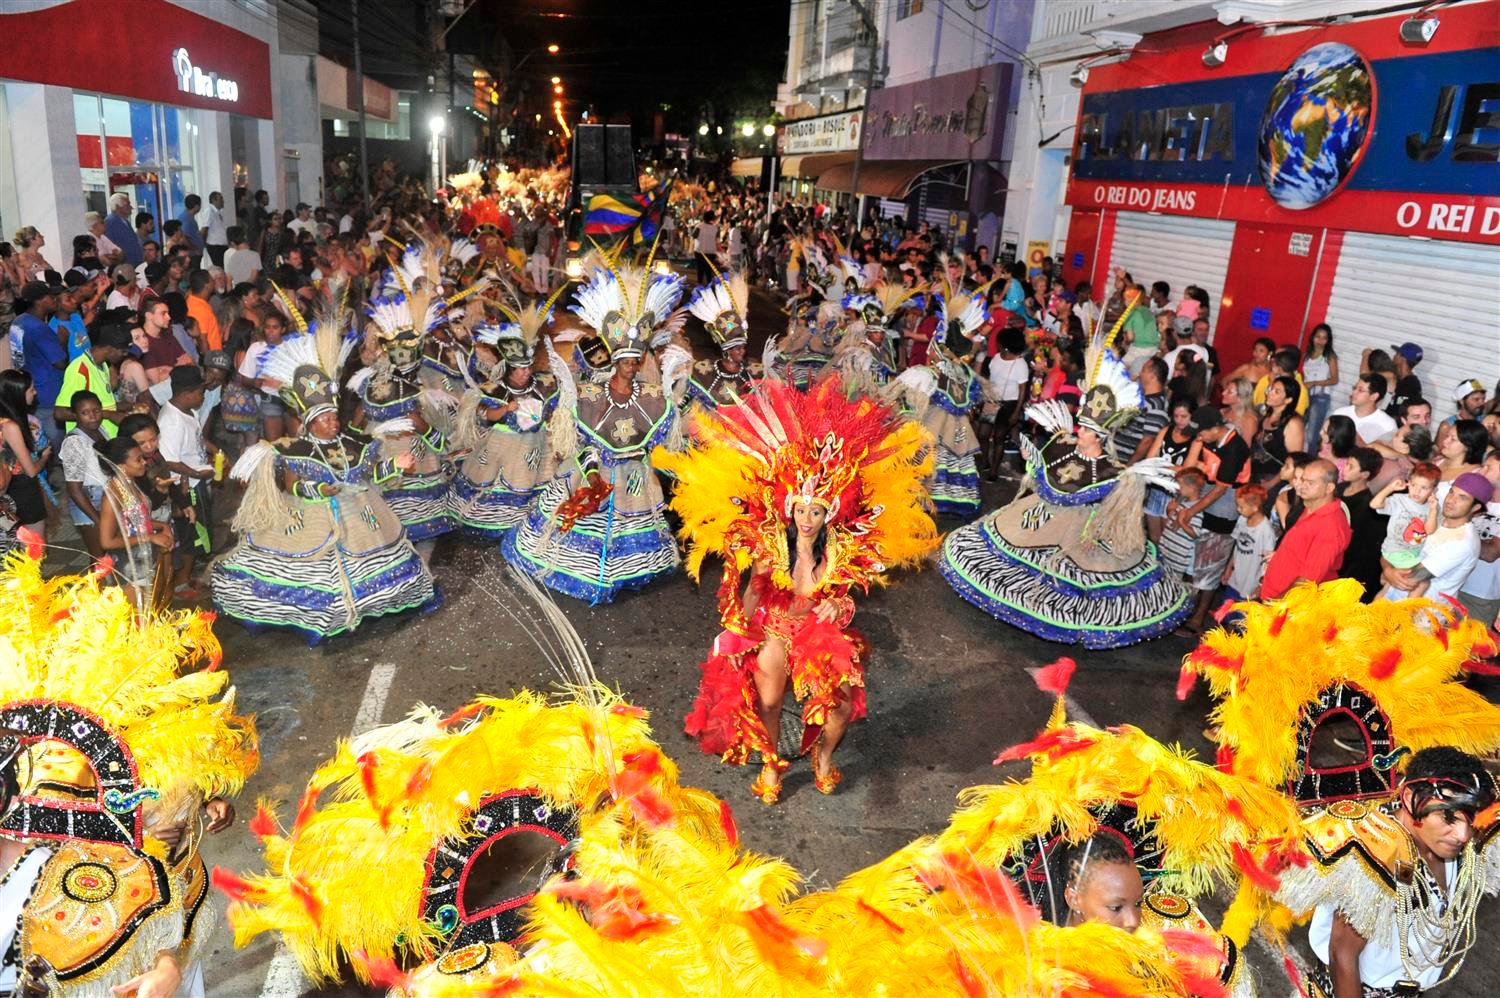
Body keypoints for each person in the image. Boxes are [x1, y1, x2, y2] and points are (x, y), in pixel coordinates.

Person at [664, 377, 938, 803]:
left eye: (816, 511)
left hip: (817, 634)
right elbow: (750, 600)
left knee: (841, 709)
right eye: (800, 509)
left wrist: (836, 606)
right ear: (788, 508)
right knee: (769, 703)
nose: (807, 518)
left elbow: (846, 599)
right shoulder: (770, 545)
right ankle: (773, 762)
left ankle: (824, 757)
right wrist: (744, 611)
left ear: (828, 513)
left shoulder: (844, 548)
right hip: (774, 629)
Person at [941, 296, 1191, 647]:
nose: (1080, 431)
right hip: (1040, 527)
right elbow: (1040, 480)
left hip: (1081, 542)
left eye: (1086, 429)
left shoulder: (1115, 472)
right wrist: (1033, 457)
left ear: (1100, 435)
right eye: (1081, 426)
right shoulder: (1062, 447)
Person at [211, 321, 439, 642]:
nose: (334, 423)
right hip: (310, 524)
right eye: (326, 419)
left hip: (360, 522)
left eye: (334, 416)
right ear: (310, 422)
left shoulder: (352, 442)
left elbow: (366, 476)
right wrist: (318, 489)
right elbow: (290, 485)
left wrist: (395, 465)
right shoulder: (295, 450)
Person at [504, 260, 685, 603]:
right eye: (627, 362)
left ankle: (633, 566)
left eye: (636, 361)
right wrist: (591, 474)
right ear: (615, 362)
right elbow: (581, 442)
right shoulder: (590, 396)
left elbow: (661, 439)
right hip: (596, 475)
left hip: (634, 482)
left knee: (634, 531)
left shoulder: (650, 397)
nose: (633, 367)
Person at [1279, 747, 1497, 998]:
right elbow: (1343, 955)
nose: (1463, 835)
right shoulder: (1374, 855)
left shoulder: (1451, 846)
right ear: (1409, 798)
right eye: (1448, 818)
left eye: (1471, 822)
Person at [449, 305, 564, 541]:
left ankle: (530, 523)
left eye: (528, 368)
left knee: (536, 483)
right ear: (509, 369)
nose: (525, 373)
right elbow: (486, 416)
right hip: (504, 445)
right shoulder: (495, 389)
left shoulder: (542, 383)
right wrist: (505, 409)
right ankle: (501, 520)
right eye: (520, 369)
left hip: (536, 445)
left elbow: (556, 406)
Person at [891, 281, 988, 517]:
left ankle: (924, 507)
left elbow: (894, 399)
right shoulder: (964, 375)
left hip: (930, 434)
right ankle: (955, 507)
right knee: (956, 465)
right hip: (960, 436)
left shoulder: (924, 374)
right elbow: (975, 406)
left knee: (925, 469)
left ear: (935, 348)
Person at [1379, 471, 1487, 604]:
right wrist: (1388, 569)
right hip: (1391, 599)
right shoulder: (1432, 518)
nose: (1451, 500)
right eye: (1451, 492)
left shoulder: (1463, 541)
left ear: (1475, 507)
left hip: (1420, 617)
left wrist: (1388, 571)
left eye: (1462, 497)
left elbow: (1412, 578)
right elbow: (1393, 549)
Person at [1259, 458, 1353, 601]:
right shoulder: (1310, 505)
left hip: (1285, 607)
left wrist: (1274, 605)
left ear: (1329, 488)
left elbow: (1306, 582)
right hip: (1273, 592)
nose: (1302, 486)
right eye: (1302, 480)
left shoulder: (1330, 527)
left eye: (1311, 483)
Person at [682, 270, 761, 413]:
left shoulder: (755, 372)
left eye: (743, 347)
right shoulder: (703, 372)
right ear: (727, 350)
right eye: (737, 348)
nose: (742, 351)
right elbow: (685, 408)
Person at [1371, 462, 1441, 599]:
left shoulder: (1433, 508)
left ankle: (1375, 608)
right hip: (1396, 551)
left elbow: (1430, 530)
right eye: (1413, 485)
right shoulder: (1400, 500)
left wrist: (1433, 511)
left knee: (1389, 585)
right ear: (1408, 482)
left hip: (1411, 554)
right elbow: (1374, 504)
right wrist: (1390, 488)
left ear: (1434, 490)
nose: (1417, 491)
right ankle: (1406, 609)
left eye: (1424, 488)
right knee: (1423, 582)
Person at [55, 321, 132, 433]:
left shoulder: (104, 365)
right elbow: (60, 412)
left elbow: (101, 404)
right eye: (123, 351)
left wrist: (127, 407)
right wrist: (108, 415)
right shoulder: (79, 369)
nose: (125, 355)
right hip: (88, 440)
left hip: (105, 437)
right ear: (110, 348)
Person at [60, 388, 110, 557]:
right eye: (85, 413)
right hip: (88, 502)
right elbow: (74, 489)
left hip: (104, 497)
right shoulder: (75, 442)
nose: (93, 416)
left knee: (108, 555)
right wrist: (97, 519)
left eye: (96, 410)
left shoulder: (100, 431)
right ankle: (92, 584)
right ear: (75, 415)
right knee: (99, 558)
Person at [14, 280, 66, 439]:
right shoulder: (39, 328)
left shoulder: (18, 321)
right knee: (56, 442)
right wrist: (62, 342)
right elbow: (60, 363)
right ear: (40, 301)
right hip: (49, 393)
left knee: (39, 439)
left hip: (30, 390)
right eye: (51, 296)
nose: (55, 299)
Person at [1336, 447, 1387, 601]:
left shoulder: (1366, 505)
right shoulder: (1339, 488)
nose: (1345, 469)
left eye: (1351, 466)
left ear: (1364, 474)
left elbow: (1358, 548)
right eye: (1346, 464)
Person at [1223, 483, 1276, 605]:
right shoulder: (1242, 519)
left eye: (1241, 507)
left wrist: (1261, 586)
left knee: (1240, 619)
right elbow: (1236, 545)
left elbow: (1268, 563)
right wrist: (1228, 568)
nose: (1238, 510)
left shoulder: (1265, 531)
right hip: (1235, 579)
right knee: (1226, 613)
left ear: (1255, 507)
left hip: (1250, 584)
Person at [1251, 375, 1306, 482]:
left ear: (1288, 400)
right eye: (1271, 389)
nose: (1270, 393)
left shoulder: (1293, 423)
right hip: (1254, 473)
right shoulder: (1267, 414)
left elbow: (1294, 461)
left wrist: (1270, 484)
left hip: (1273, 478)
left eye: (1277, 391)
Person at [1160, 466, 1206, 582]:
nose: (1177, 487)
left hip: (1177, 558)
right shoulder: (1182, 502)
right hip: (1166, 550)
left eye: (1180, 485)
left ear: (1192, 488)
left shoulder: (1196, 509)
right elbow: (1169, 524)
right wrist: (1170, 511)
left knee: (1172, 585)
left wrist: (1181, 522)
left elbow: (1195, 534)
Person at [1301, 323, 1339, 452]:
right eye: (1318, 336)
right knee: (1298, 427)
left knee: (1313, 434)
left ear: (1328, 340)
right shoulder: (1307, 355)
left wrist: (1314, 383)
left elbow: (1334, 379)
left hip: (1320, 397)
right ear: (1312, 337)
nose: (1321, 340)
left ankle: (1311, 462)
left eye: (1324, 338)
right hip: (1305, 396)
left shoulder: (1329, 356)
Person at [1333, 374, 1397, 447]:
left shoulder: (1388, 425)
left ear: (1374, 396)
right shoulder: (1340, 413)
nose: (1354, 392)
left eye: (1360, 390)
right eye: (1354, 388)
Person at [184, 269, 223, 352]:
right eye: (212, 280)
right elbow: (202, 339)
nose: (214, 282)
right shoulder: (199, 308)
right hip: (212, 359)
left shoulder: (194, 300)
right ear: (207, 285)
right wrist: (209, 362)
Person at [103, 191, 144, 265]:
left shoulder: (125, 221)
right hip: (124, 266)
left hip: (133, 265)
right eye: (128, 204)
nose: (132, 207)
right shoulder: (110, 222)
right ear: (118, 206)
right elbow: (109, 247)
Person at [1387, 341, 1424, 415]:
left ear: (1402, 358)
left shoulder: (1409, 386)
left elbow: (1399, 414)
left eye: (1396, 354)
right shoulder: (1405, 380)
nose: (1394, 356)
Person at [202, 190, 229, 267]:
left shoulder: (218, 212)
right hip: (215, 246)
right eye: (221, 199)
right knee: (220, 266)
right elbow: (205, 228)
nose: (223, 201)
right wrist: (205, 244)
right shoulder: (209, 211)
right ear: (214, 200)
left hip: (222, 246)